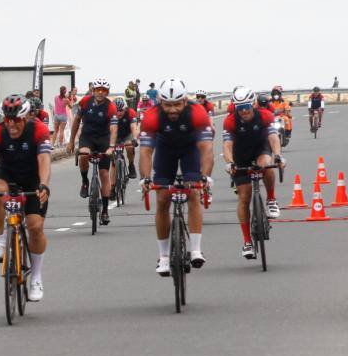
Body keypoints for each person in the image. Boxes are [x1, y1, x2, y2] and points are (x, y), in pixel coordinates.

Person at [0, 95, 52, 301]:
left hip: (32, 179)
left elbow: (44, 160)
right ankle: (0, 240)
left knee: (35, 227)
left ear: (25, 118)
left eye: (16, 120)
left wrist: (44, 184)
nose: (11, 124)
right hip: (6, 174)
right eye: (8, 120)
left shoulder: (38, 130)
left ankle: (36, 276)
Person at [138, 77, 215, 274]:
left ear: (185, 100)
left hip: (191, 148)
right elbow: (146, 152)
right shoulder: (152, 116)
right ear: (160, 102)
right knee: (162, 199)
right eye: (167, 105)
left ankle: (195, 249)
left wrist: (205, 177)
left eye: (177, 105)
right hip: (165, 150)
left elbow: (206, 150)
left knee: (194, 193)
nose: (172, 110)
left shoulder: (198, 113)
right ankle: (163, 256)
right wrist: (145, 178)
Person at [222, 87, 284, 259]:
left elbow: (273, 138)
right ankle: (247, 241)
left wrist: (278, 156)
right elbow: (227, 146)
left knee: (266, 164)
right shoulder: (230, 121)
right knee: (244, 196)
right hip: (240, 155)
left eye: (247, 106)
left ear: (254, 104)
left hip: (259, 149)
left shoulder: (265, 115)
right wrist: (230, 163)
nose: (243, 111)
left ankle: (271, 199)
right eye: (239, 108)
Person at [67, 77, 119, 225]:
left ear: (107, 92)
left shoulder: (111, 107)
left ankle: (104, 211)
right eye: (98, 90)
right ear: (93, 90)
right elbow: (76, 121)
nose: (100, 93)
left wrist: (111, 146)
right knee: (83, 154)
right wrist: (71, 142)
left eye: (104, 90)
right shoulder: (85, 102)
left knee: (104, 174)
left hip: (103, 139)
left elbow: (114, 128)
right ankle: (85, 181)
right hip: (87, 137)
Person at [113, 97, 139, 179]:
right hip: (114, 135)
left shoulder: (130, 112)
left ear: (125, 109)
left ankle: (131, 165)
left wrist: (134, 138)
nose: (119, 113)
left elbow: (134, 126)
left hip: (127, 134)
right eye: (116, 110)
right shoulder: (109, 113)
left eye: (121, 110)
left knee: (129, 146)